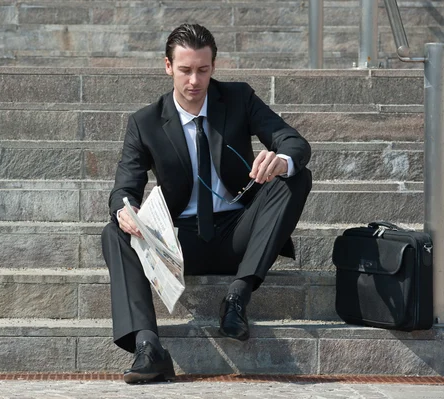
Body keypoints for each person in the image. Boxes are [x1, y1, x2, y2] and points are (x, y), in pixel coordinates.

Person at [101, 23, 312, 384]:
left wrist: (281, 160)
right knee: (113, 232)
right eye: (185, 70)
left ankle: (237, 296)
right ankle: (148, 346)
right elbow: (124, 187)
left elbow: (293, 141)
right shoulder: (145, 122)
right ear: (168, 66)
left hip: (239, 234)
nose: (194, 81)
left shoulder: (239, 98)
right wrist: (125, 209)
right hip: (180, 241)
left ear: (214, 66)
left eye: (203, 69)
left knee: (297, 175)